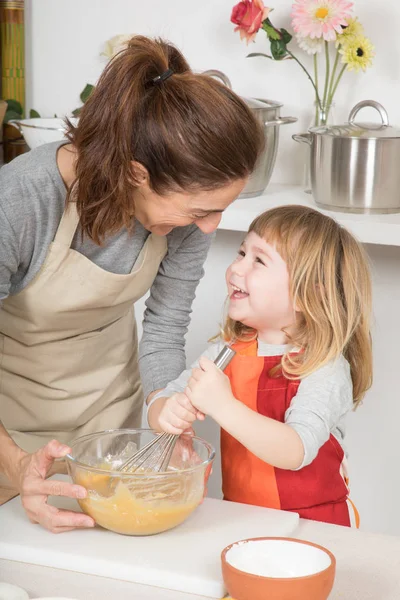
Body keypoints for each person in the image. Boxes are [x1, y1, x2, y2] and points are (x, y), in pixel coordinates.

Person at [0, 35, 263, 532]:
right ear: (137, 173)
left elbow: (164, 327)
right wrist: (15, 464)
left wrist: (165, 404)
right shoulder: (22, 201)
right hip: (9, 433)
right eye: (204, 210)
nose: (211, 226)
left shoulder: (185, 219)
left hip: (107, 431)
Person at [148, 205, 373, 527]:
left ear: (306, 294)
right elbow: (164, 397)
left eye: (258, 260)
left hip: (312, 525)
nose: (236, 268)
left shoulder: (324, 368)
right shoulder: (225, 353)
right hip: (241, 516)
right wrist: (165, 413)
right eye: (241, 252)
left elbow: (295, 451)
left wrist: (223, 405)